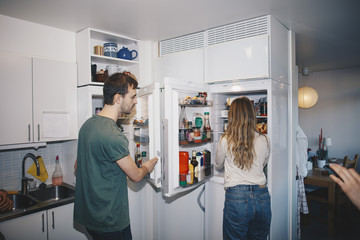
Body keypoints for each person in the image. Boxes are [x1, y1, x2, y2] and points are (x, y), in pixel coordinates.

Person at [74, 73, 158, 240]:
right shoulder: (113, 135)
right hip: (110, 221)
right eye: (133, 96)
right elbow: (135, 175)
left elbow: (78, 166)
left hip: (90, 218)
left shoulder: (87, 125)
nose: (135, 101)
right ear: (119, 98)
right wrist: (147, 167)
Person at [215, 97, 271, 240]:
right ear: (253, 115)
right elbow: (263, 164)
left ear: (232, 116)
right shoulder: (264, 139)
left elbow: (218, 164)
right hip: (262, 196)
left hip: (236, 196)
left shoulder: (225, 139)